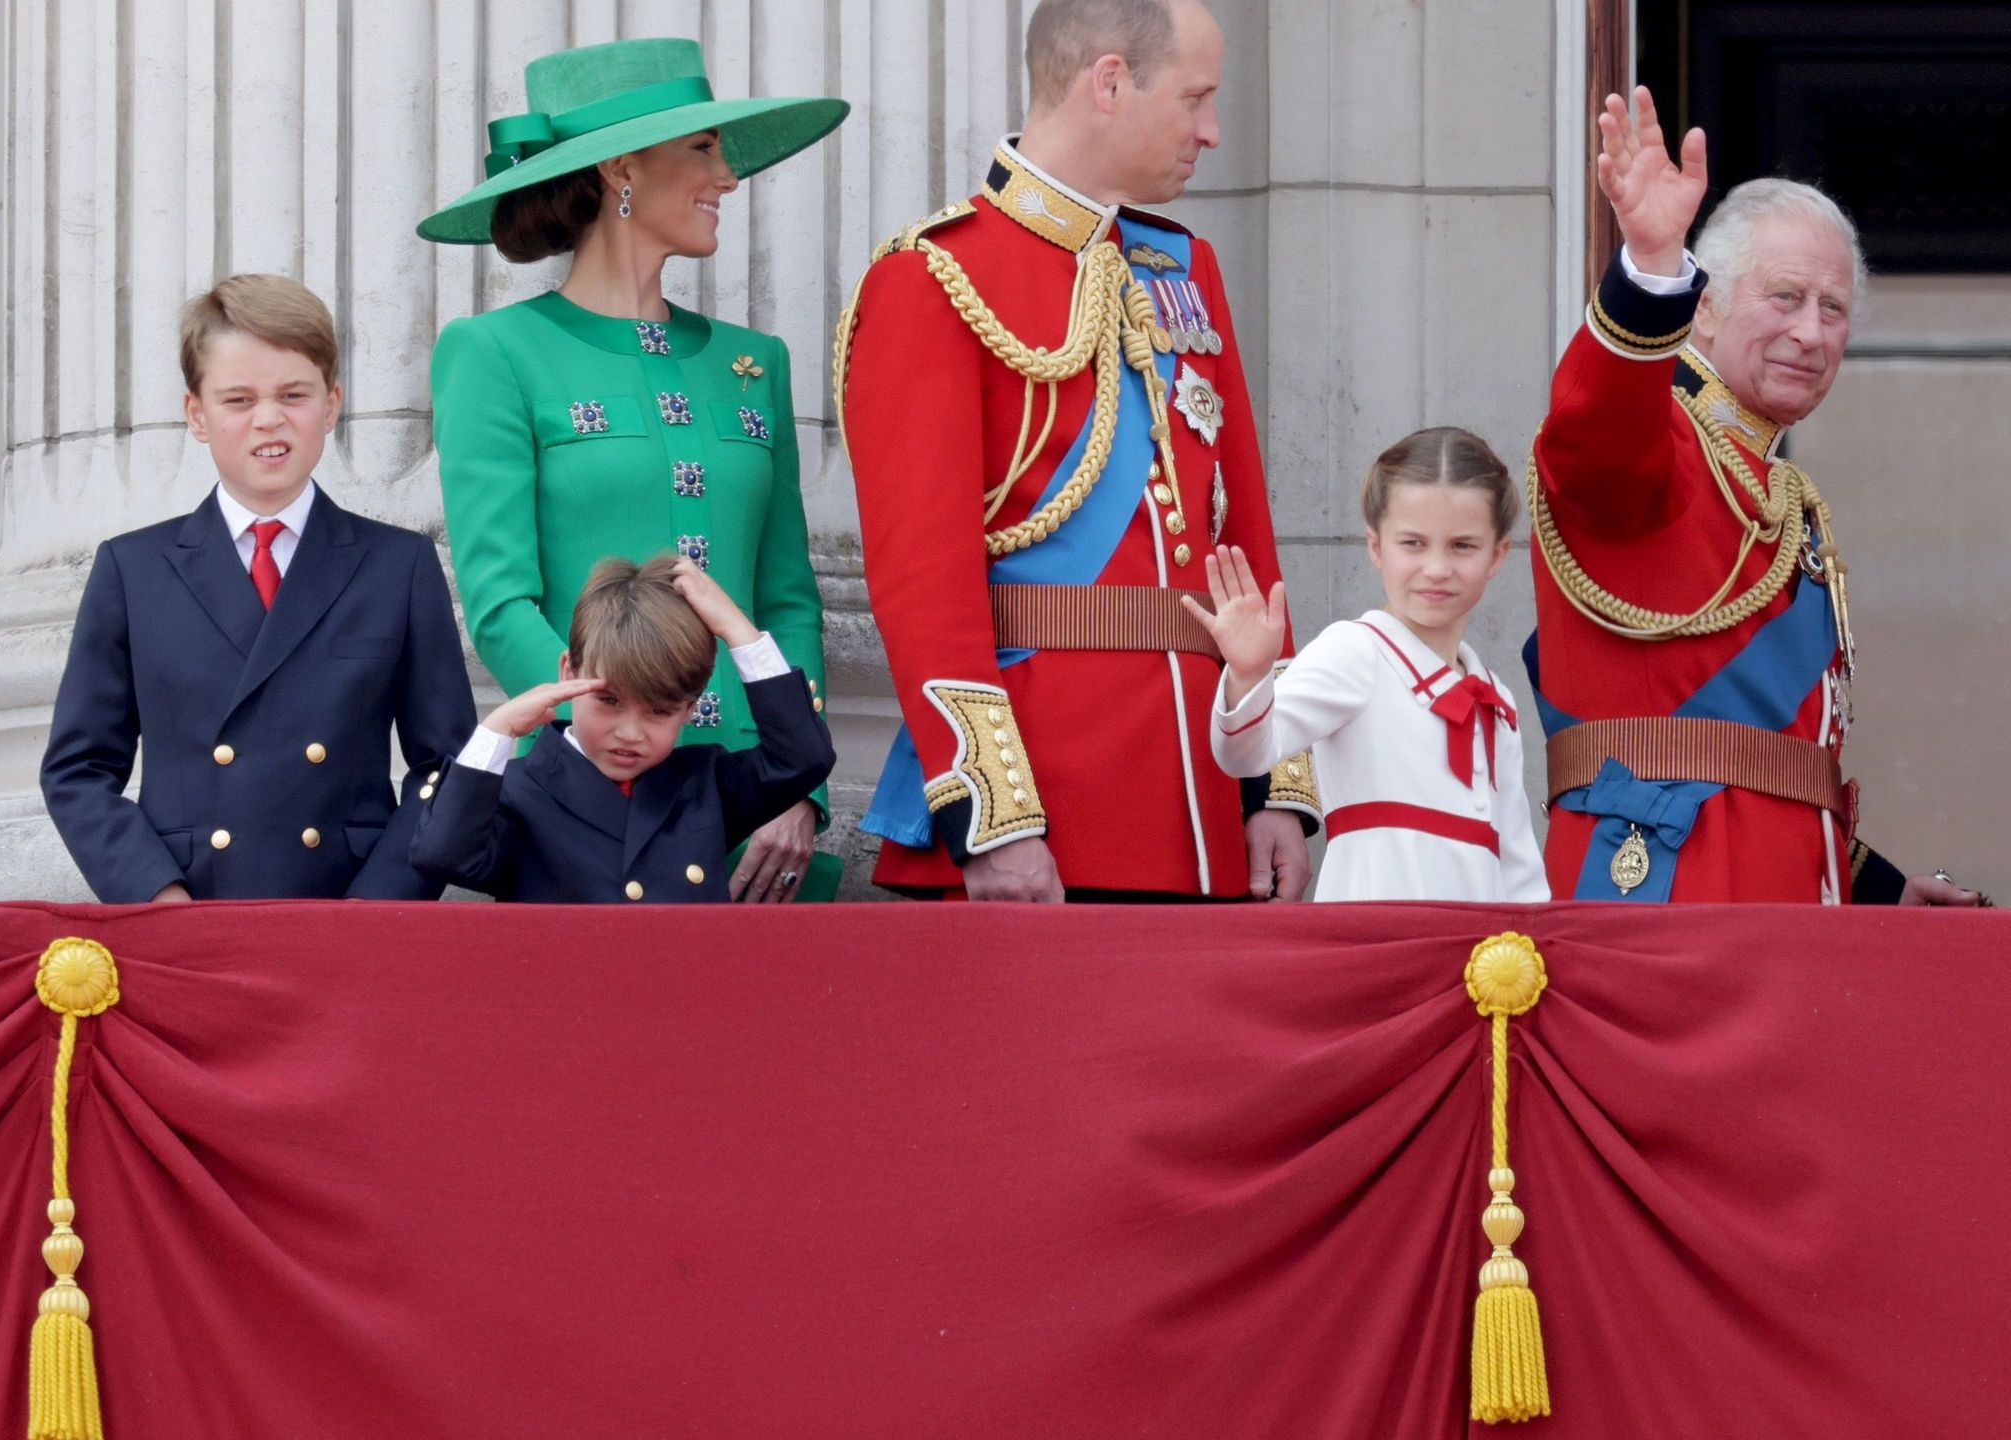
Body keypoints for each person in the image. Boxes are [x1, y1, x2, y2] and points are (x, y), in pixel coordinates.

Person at [836, 0, 1317, 902]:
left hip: (1206, 812)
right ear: (1107, 82)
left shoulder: (1183, 267)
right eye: (1195, 98)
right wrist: (995, 819)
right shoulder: (932, 278)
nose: (1211, 133)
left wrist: (1270, 783)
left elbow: (1241, 542)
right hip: (1055, 814)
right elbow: (921, 584)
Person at [418, 38, 848, 903]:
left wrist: (799, 787)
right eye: (703, 148)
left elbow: (789, 598)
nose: (727, 177)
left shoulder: (753, 361)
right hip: (584, 827)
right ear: (621, 167)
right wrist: (616, 752)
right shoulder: (492, 352)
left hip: (759, 827)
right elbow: (501, 602)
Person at [1527, 86, 1979, 905]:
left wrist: (1876, 890)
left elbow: (1769, 760)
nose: (1810, 332)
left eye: (1832, 309)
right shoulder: (1656, 447)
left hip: (1775, 914)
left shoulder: (1782, 497)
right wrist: (1650, 267)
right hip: (1660, 897)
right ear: (1703, 308)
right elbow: (1591, 439)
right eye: (1784, 297)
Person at [40, 274, 474, 902]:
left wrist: (379, 908)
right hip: (192, 909)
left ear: (330, 405)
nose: (269, 419)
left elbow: (446, 767)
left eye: (293, 394)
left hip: (348, 911)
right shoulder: (133, 570)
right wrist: (155, 895)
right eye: (238, 399)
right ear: (198, 415)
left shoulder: (397, 565)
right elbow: (78, 769)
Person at [1192, 429, 1548, 902]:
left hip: (1476, 963)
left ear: (1498, 554)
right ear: (1376, 545)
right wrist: (1248, 675)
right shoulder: (1357, 652)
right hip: (1372, 948)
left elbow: (1520, 869)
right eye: (1413, 543)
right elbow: (1245, 755)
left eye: (1462, 545)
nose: (1437, 568)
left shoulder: (1494, 696)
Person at [409, 554, 834, 903]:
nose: (631, 733)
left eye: (659, 712)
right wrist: (496, 731)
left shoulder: (703, 785)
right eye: (609, 701)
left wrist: (736, 629)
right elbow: (443, 854)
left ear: (690, 707)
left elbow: (802, 757)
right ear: (568, 671)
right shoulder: (519, 790)